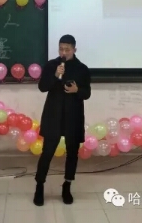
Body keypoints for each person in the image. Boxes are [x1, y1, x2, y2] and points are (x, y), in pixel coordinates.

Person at [33, 34, 91, 206]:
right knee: (47, 152)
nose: (63, 52)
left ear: (74, 49)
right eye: (61, 49)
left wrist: (77, 90)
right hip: (54, 114)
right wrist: (55, 75)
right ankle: (39, 186)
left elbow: (87, 93)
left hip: (73, 116)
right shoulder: (52, 65)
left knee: (72, 153)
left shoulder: (82, 68)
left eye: (67, 49)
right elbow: (42, 87)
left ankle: (67, 186)